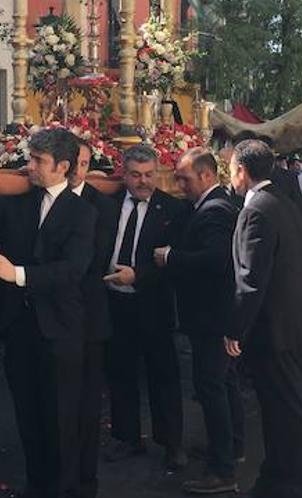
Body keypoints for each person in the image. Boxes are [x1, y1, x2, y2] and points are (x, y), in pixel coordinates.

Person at [0, 128, 96, 498]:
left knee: (61, 418)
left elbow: (72, 270)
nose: (30, 167)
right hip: (19, 328)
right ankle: (37, 485)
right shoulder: (20, 203)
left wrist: (18, 275)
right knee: (27, 416)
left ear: (63, 167)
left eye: (38, 162)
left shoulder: (82, 212)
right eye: (30, 159)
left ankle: (65, 489)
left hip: (60, 330)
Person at [224, 140, 302, 498]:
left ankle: (299, 482)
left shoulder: (257, 210)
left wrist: (235, 328)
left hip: (275, 330)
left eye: (231, 169)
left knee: (286, 410)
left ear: (242, 171)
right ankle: (278, 476)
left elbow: (250, 278)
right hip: (291, 323)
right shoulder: (282, 201)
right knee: (278, 410)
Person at [155, 147, 244, 495]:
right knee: (225, 383)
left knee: (211, 387)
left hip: (211, 316)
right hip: (216, 315)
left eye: (184, 178)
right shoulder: (210, 205)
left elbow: (216, 260)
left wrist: (171, 257)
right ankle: (232, 447)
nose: (179, 184)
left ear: (207, 176)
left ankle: (222, 469)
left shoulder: (215, 210)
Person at [98, 144, 187, 472]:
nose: (143, 181)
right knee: (120, 371)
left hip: (153, 304)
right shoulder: (107, 206)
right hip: (114, 303)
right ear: (124, 173)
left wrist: (139, 275)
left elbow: (174, 262)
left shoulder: (172, 210)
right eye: (136, 175)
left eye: (149, 175)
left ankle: (171, 442)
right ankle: (127, 437)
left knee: (162, 374)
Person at [68, 138, 116, 497]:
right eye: (71, 162)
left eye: (83, 163)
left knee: (85, 401)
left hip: (88, 316)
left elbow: (92, 261)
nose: (76, 170)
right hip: (51, 319)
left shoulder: (102, 206)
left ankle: (85, 478)